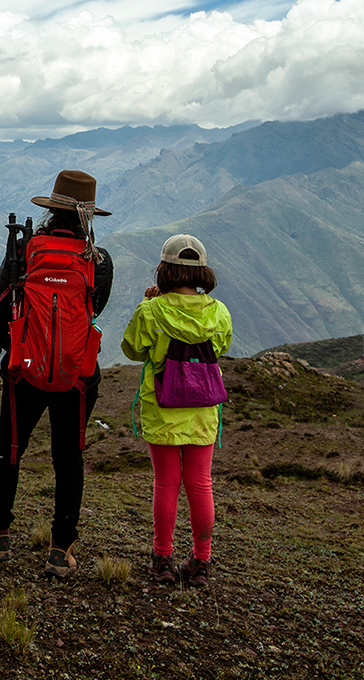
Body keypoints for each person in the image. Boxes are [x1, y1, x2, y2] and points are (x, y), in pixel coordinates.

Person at [0, 169, 114, 577]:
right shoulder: (98, 261)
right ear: (89, 216)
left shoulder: (25, 250)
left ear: (51, 209)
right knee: (69, 459)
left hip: (23, 370)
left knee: (9, 451)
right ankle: (60, 549)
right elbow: (94, 309)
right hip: (77, 375)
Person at [120, 233, 232, 587]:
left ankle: (162, 559)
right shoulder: (218, 312)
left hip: (163, 408)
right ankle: (201, 562)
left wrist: (147, 305)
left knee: (165, 484)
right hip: (203, 410)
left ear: (165, 270)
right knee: (201, 483)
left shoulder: (152, 310)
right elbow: (222, 346)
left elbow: (132, 349)